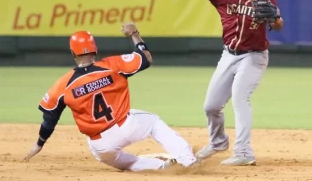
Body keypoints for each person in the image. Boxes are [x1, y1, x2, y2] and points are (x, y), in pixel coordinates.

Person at [23, 22, 197, 171]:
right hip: (126, 126)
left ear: (73, 53)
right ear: (94, 49)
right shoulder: (112, 65)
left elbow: (49, 119)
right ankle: (188, 160)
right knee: (153, 123)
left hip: (101, 146)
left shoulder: (63, 84)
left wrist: (39, 144)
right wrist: (135, 35)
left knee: (126, 162)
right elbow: (146, 58)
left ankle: (160, 167)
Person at [182, 0, 284, 166]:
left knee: (240, 98)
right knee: (211, 106)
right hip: (229, 54)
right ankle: (218, 142)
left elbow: (278, 24)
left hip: (254, 56)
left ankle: (244, 152)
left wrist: (274, 17)